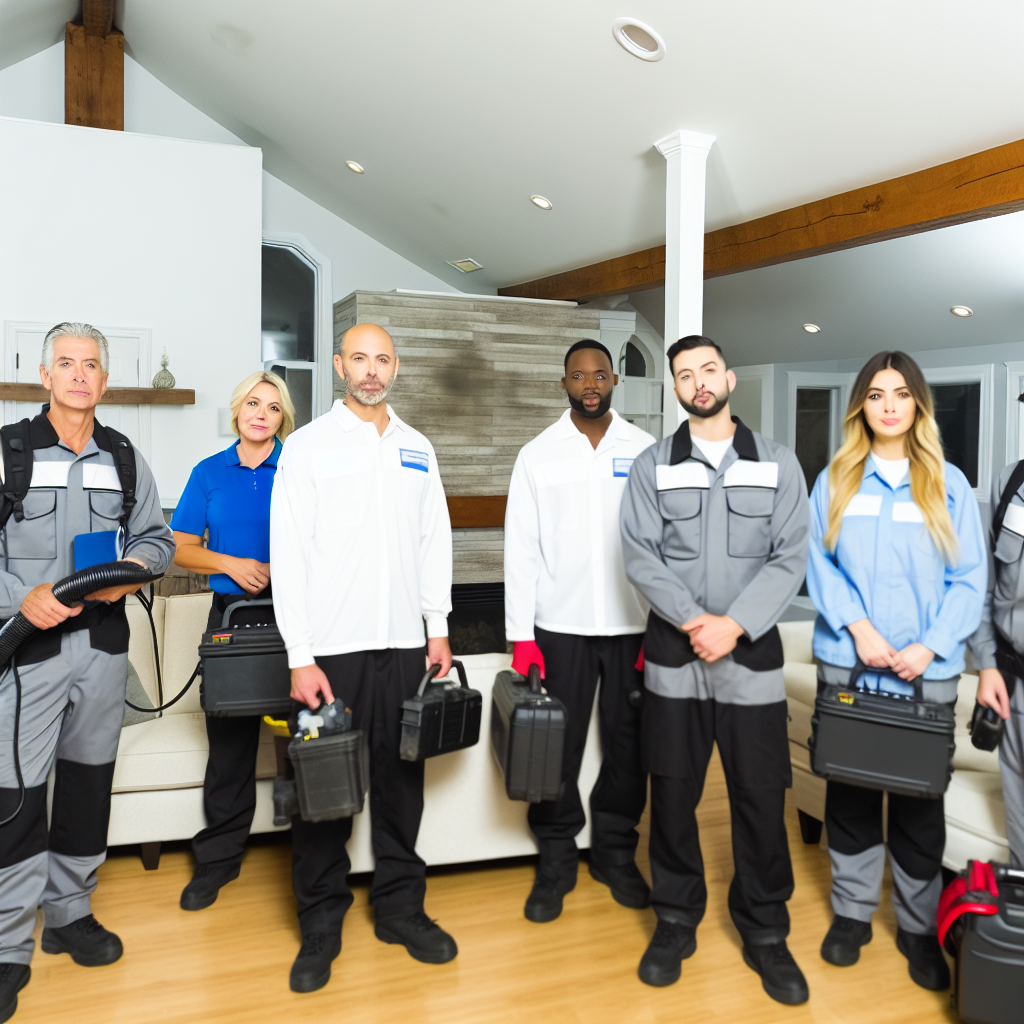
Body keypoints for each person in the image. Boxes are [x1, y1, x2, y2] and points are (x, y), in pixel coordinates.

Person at [620, 335, 810, 1005]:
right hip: (676, 652)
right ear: (674, 388)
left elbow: (791, 558)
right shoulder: (651, 465)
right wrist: (695, 621)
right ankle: (675, 919)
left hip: (750, 653)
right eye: (684, 375)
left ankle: (765, 931)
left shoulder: (779, 463)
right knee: (671, 791)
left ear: (728, 377)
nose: (698, 382)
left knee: (760, 793)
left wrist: (733, 625)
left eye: (707, 370)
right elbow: (639, 555)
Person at [270, 322, 455, 993]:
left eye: (382, 359)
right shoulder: (309, 448)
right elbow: (288, 554)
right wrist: (299, 655)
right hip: (331, 653)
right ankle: (321, 922)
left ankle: (401, 909)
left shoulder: (417, 448)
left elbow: (435, 540)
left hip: (407, 646)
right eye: (359, 359)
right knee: (325, 791)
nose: (371, 370)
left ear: (395, 367)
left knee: (402, 786)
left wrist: (438, 627)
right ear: (340, 366)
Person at [0, 323, 174, 1023]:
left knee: (85, 788)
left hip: (102, 653)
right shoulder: (10, 451)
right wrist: (24, 597)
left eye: (90, 365)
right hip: (29, 657)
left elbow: (159, 540)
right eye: (66, 364)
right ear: (46, 375)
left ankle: (70, 912)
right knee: (15, 797)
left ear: (103, 379)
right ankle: (9, 942)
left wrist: (128, 573)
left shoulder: (125, 457)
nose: (79, 375)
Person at [806, 351, 986, 992]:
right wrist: (859, 628)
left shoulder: (950, 484)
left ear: (917, 406)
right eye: (877, 393)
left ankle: (916, 928)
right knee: (850, 797)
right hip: (851, 666)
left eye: (901, 394)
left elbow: (970, 581)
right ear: (862, 405)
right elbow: (819, 566)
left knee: (918, 808)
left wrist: (931, 648)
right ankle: (852, 916)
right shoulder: (835, 480)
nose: (888, 404)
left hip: (922, 674)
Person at [504, 339, 656, 922]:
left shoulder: (645, 450)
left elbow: (662, 544)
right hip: (557, 628)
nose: (589, 383)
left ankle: (616, 852)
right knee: (554, 750)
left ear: (614, 380)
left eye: (598, 374)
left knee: (627, 748)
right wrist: (522, 637)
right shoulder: (538, 455)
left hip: (632, 630)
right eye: (577, 375)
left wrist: (659, 630)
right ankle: (557, 856)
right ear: (563, 382)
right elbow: (520, 550)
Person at [170, 371, 295, 910]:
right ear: (237, 411)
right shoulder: (208, 473)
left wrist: (279, 566)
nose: (261, 413)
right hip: (231, 615)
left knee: (304, 739)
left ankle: (307, 857)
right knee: (230, 747)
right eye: (252, 403)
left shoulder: (298, 464)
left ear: (282, 417)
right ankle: (217, 861)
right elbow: (179, 547)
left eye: (271, 406)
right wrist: (232, 564)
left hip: (297, 617)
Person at [969, 399, 1024, 867]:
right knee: (1019, 807)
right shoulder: (1011, 482)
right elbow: (984, 585)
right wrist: (988, 663)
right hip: (1015, 679)